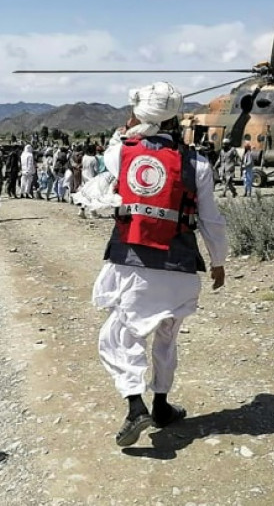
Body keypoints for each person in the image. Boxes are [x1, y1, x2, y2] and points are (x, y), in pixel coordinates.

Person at [93, 82, 228, 447]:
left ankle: (136, 406)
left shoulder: (121, 153)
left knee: (121, 336)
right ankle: (162, 406)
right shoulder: (197, 163)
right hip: (180, 264)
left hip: (132, 262)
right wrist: (218, 261)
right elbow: (211, 219)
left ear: (139, 116)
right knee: (167, 338)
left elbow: (112, 152)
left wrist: (127, 128)